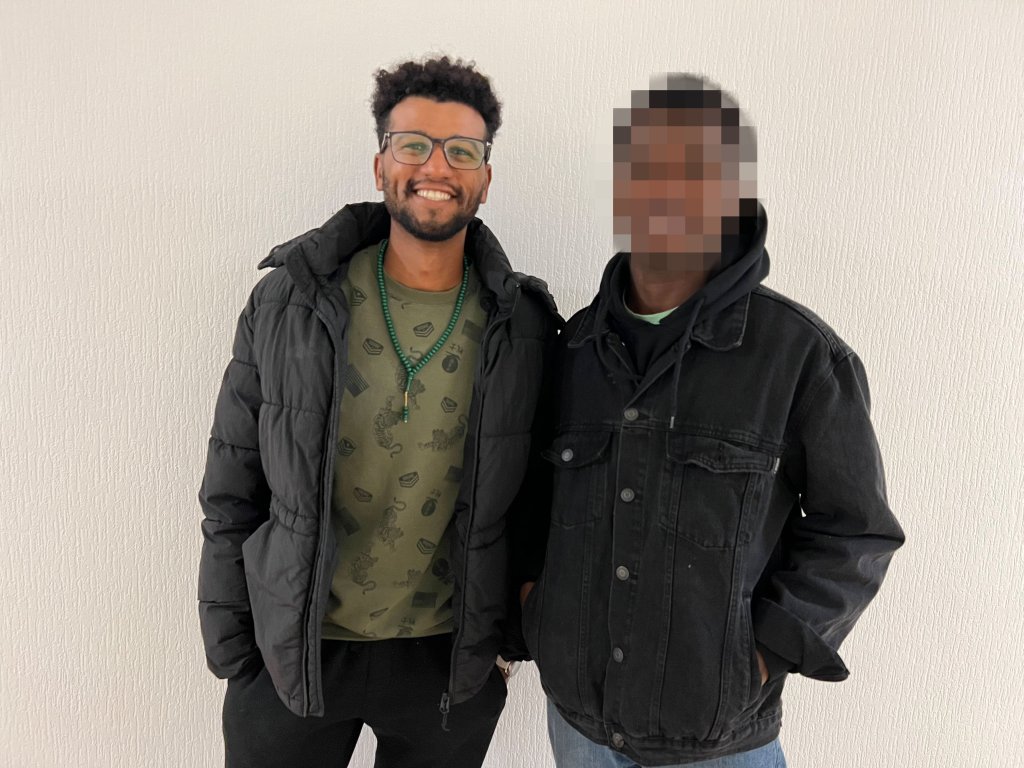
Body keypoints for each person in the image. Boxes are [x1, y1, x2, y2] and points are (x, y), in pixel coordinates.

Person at [518, 74, 905, 767]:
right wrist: (533, 612)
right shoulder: (571, 350)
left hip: (719, 745)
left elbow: (857, 532)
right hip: (576, 729)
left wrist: (760, 656)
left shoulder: (800, 357)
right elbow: (528, 506)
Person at [198, 55, 558, 768]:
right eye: (413, 144)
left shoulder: (523, 326)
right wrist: (236, 647)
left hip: (445, 665)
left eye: (463, 150)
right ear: (380, 165)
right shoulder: (292, 302)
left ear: (485, 178)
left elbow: (540, 502)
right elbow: (232, 481)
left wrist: (507, 644)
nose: (437, 165)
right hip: (293, 655)